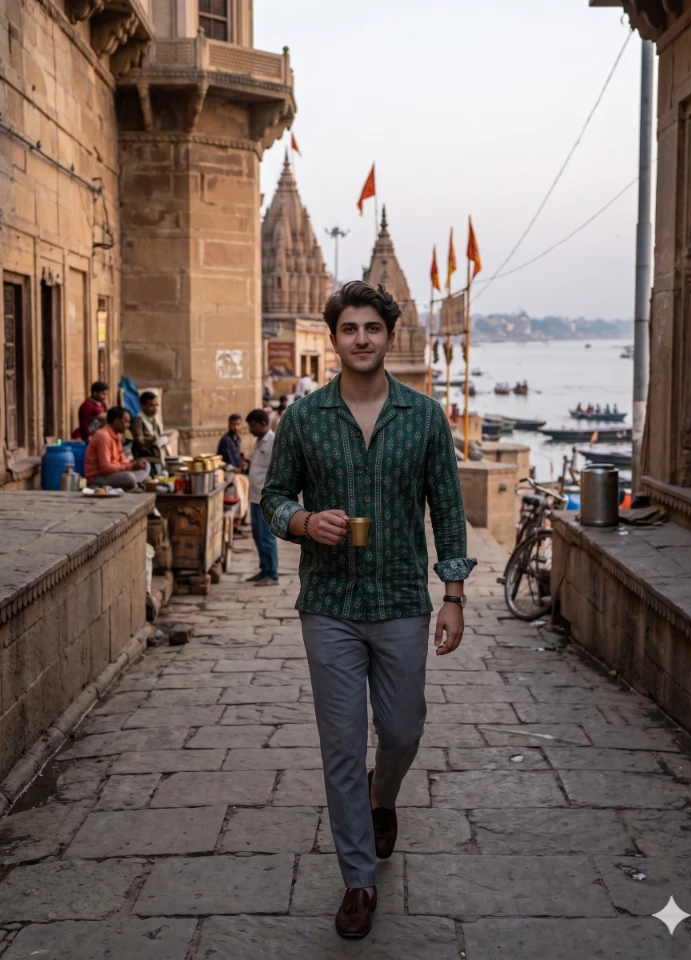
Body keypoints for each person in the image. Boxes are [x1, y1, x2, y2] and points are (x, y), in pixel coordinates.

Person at [262, 281, 476, 939]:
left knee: (404, 730)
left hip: (402, 602)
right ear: (333, 339)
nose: (360, 339)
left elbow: (448, 507)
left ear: (388, 336)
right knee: (342, 746)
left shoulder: (423, 417)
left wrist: (455, 594)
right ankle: (357, 879)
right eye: (349, 328)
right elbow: (271, 498)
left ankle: (386, 796)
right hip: (327, 604)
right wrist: (301, 521)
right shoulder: (304, 419)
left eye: (371, 329)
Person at [246, 408, 278, 586]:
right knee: (257, 536)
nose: (250, 429)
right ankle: (264, 569)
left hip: (264, 498)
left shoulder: (273, 441)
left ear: (264, 424)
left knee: (267, 537)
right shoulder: (258, 442)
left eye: (253, 426)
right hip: (253, 496)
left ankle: (272, 574)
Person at [85, 406, 149, 490]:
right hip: (99, 478)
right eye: (126, 422)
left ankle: (135, 483)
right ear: (117, 422)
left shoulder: (118, 435)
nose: (128, 425)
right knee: (129, 478)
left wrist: (134, 465)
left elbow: (122, 460)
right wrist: (131, 467)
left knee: (147, 466)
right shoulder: (103, 436)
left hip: (115, 472)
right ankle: (135, 483)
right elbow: (105, 468)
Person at [130, 391, 167, 470]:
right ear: (143, 406)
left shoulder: (155, 419)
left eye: (156, 405)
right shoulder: (138, 420)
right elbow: (139, 440)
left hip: (157, 455)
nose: (155, 408)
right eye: (151, 405)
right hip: (145, 456)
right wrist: (153, 440)